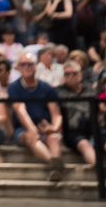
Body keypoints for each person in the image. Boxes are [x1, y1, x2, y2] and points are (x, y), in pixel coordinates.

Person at [8, 53, 66, 183]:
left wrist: (54, 128)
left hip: (44, 125)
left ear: (36, 67)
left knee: (54, 138)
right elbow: (20, 110)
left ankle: (55, 167)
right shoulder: (14, 87)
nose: (27, 67)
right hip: (22, 128)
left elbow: (56, 113)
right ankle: (54, 164)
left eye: (30, 64)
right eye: (23, 64)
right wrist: (32, 129)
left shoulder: (47, 88)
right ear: (18, 68)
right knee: (31, 137)